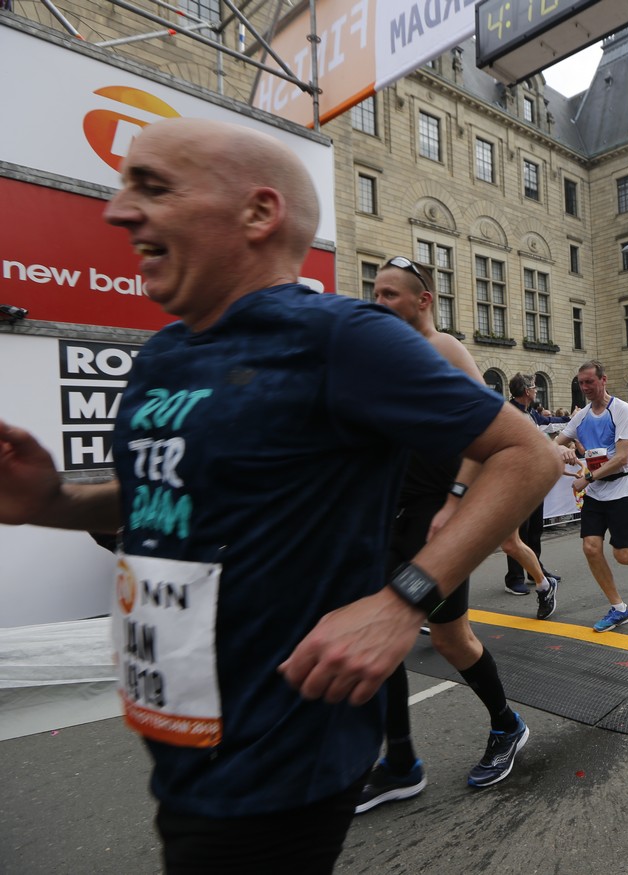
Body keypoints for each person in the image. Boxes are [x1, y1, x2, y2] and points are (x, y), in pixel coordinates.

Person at [0, 118, 559, 873]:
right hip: (182, 730)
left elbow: (527, 453)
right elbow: (163, 496)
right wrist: (52, 504)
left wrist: (403, 599)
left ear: (259, 213)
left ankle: (464, 735)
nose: (118, 211)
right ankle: (403, 758)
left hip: (278, 753)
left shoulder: (340, 336)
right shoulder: (164, 353)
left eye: (154, 188)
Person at [358, 265, 556, 814]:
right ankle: (400, 762)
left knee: (450, 640)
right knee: (381, 636)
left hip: (432, 515)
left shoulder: (442, 348)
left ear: (423, 300)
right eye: (373, 292)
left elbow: (489, 429)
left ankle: (507, 725)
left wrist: (453, 502)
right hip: (392, 515)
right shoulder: (384, 357)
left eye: (389, 293)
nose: (377, 301)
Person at [554, 360, 628, 632]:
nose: (585, 387)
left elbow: (621, 457)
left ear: (603, 380)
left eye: (589, 382)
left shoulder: (621, 410)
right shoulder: (582, 416)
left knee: (622, 554)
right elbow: (555, 443)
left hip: (623, 487)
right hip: (596, 492)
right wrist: (561, 450)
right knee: (590, 548)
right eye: (581, 383)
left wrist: (586, 478)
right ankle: (619, 608)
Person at [504, 372, 560, 596]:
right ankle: (514, 577)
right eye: (535, 387)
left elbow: (548, 426)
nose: (536, 391)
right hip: (517, 482)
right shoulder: (508, 413)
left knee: (535, 529)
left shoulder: (530, 413)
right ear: (527, 391)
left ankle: (534, 570)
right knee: (518, 532)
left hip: (534, 480)